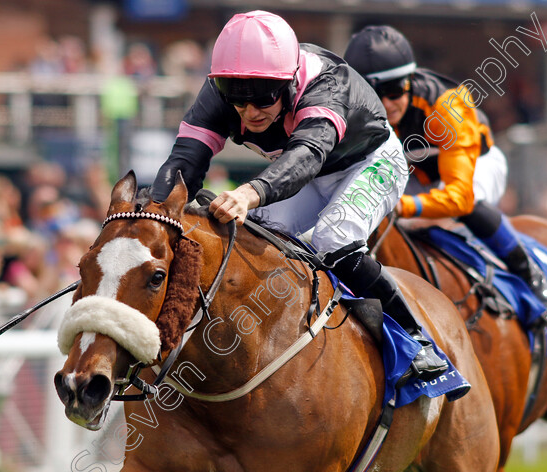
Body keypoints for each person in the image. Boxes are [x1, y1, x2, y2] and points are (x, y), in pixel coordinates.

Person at [151, 11, 447, 381]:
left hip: (370, 162)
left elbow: (305, 157)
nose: (249, 112)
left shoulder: (326, 84)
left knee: (333, 239)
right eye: (237, 100)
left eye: (262, 99)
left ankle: (416, 339)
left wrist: (250, 191)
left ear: (290, 82)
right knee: (257, 234)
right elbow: (185, 160)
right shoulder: (221, 91)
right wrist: (154, 212)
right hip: (307, 171)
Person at [343, 25, 547, 316]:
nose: (385, 103)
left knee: (466, 204)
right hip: (413, 176)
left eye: (394, 90)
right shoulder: (352, 110)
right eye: (373, 92)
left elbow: (458, 196)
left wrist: (402, 205)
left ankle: (532, 276)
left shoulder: (447, 105)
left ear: (410, 79)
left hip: (477, 167)